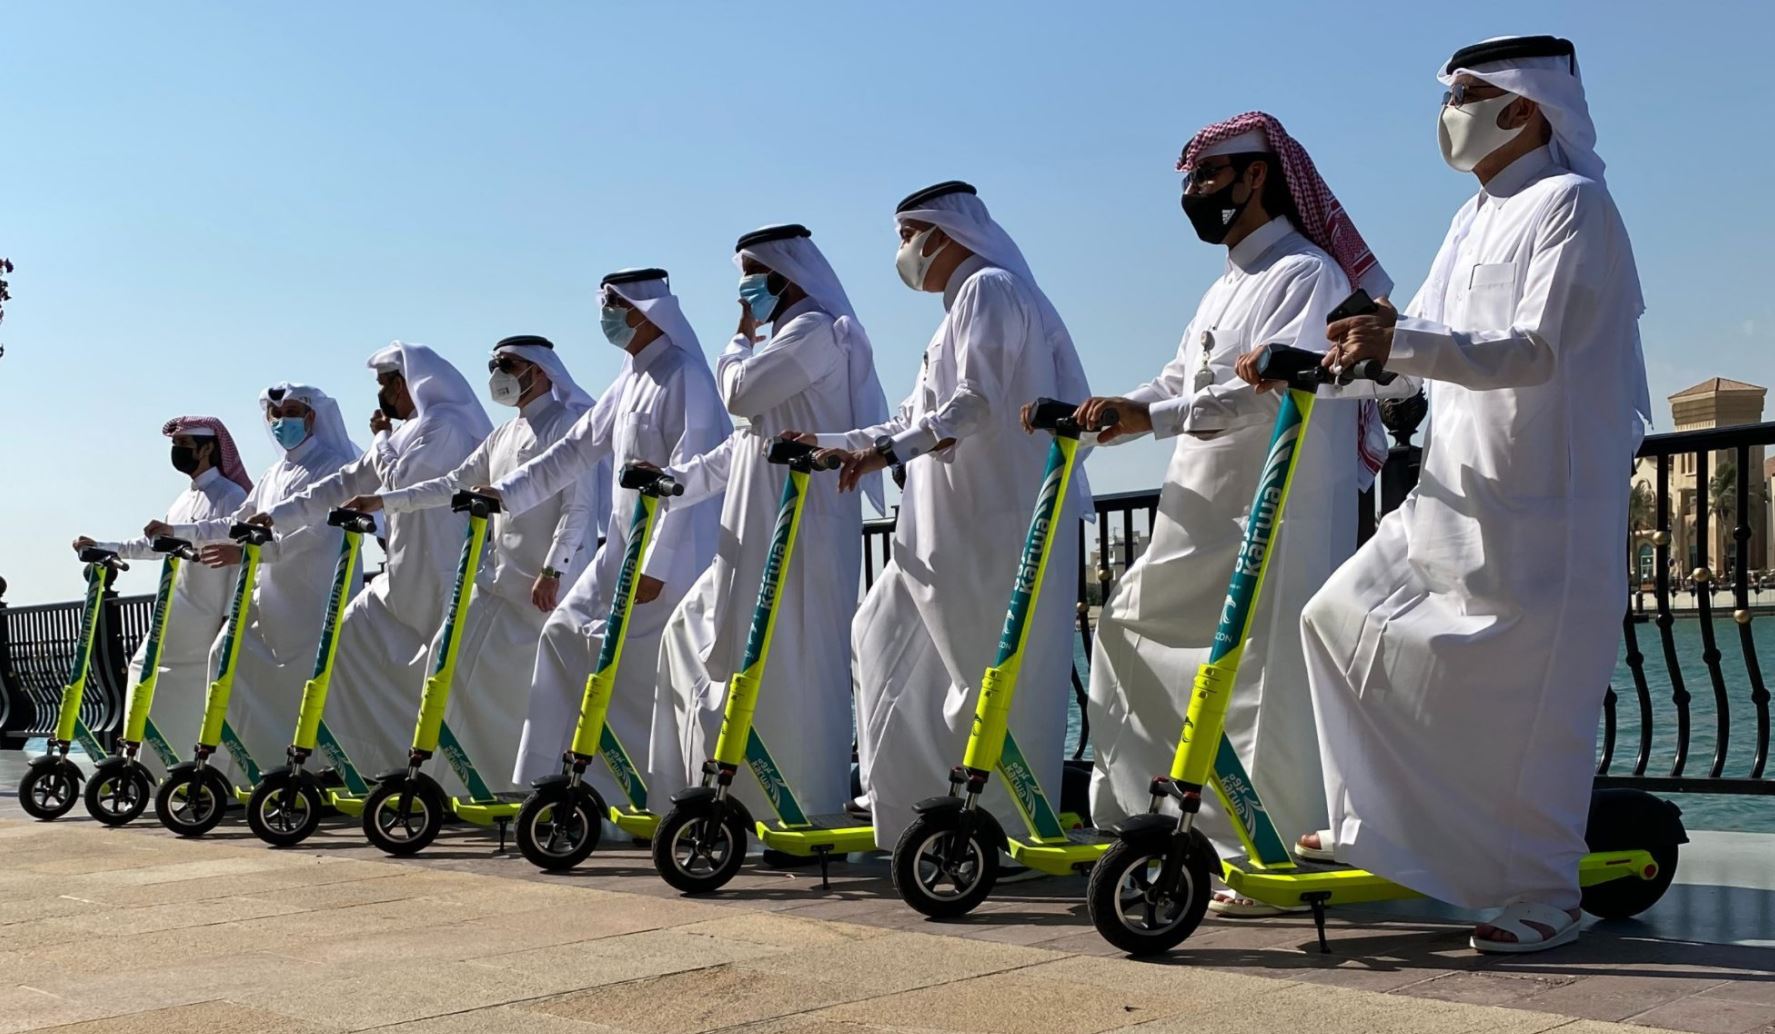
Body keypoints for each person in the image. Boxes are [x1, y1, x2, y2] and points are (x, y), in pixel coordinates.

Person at [1284, 35, 1650, 953]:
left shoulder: (1572, 205)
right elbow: (1419, 351)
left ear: (1523, 107)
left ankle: (1544, 893)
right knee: (1338, 620)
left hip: (1546, 505)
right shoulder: (1470, 217)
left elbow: (1535, 350)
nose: (1448, 112)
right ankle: (1380, 827)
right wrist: (1340, 365)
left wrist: (1397, 342)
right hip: (1452, 496)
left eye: (1464, 95)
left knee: (1537, 712)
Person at [1072, 113, 1392, 915]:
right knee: (1127, 625)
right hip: (1200, 506)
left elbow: (1270, 390)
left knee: (1263, 678)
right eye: (1190, 178)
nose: (1195, 191)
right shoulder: (1225, 283)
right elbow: (1181, 378)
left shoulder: (1306, 273)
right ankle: (1176, 825)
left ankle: (1266, 845)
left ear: (1257, 176)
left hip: (1278, 508)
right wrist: (1120, 410)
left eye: (1210, 175)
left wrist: (1154, 417)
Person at [808, 181, 1092, 852]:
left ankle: (999, 830)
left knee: (984, 679)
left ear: (945, 233)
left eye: (908, 236)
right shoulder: (955, 312)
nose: (903, 251)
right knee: (879, 638)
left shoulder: (991, 289)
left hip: (992, 523)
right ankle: (913, 812)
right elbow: (914, 418)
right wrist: (838, 444)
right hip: (938, 532)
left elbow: (975, 403)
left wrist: (885, 453)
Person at [654, 225, 889, 835]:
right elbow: (747, 443)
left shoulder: (813, 333)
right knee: (716, 643)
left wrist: (738, 338)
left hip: (804, 528)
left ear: (783, 277)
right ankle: (743, 798)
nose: (744, 291)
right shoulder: (787, 339)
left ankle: (803, 802)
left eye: (751, 278)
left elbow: (739, 394)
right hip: (756, 526)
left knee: (795, 661)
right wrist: (677, 483)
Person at [482, 269, 729, 810]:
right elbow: (574, 450)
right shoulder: (631, 377)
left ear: (646, 308)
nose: (606, 314)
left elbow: (693, 476)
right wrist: (506, 493)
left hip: (668, 560)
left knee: (636, 677)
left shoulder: (685, 375)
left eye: (615, 303)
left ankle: (653, 798)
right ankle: (558, 783)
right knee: (562, 634)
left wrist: (659, 566)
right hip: (619, 551)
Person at [341, 337, 600, 794]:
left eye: (508, 365)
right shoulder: (503, 436)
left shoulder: (567, 425)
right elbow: (451, 484)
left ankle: (543, 788)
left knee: (535, 690)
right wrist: (384, 500)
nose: (498, 374)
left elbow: (577, 508)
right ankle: (464, 782)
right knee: (447, 660)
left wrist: (553, 569)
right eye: (495, 364)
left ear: (540, 370)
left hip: (545, 588)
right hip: (500, 582)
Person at [255, 343, 491, 783]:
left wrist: (380, 437)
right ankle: (374, 765)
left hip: (446, 576)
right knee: (344, 644)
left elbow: (399, 480)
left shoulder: (446, 425)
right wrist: (278, 516)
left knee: (446, 682)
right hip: (400, 576)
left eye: (386, 383)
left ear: (408, 382)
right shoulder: (406, 433)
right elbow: (343, 482)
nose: (381, 393)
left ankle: (457, 779)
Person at [145, 385, 361, 781]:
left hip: (314, 600)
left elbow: (319, 534)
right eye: (275, 414)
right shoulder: (272, 475)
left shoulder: (333, 466)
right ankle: (245, 770)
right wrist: (178, 531)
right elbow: (237, 523)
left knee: (313, 688)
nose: (282, 421)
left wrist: (249, 554)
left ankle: (323, 771)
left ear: (311, 417)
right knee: (224, 658)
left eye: (291, 412)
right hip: (270, 599)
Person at [74, 417, 252, 769]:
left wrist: (229, 618)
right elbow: (155, 546)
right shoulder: (183, 500)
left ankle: (201, 773)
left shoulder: (232, 496)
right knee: (142, 672)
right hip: (174, 616)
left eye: (184, 445)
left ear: (208, 448)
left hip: (208, 619)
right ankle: (148, 768)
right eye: (175, 445)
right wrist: (105, 546)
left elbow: (239, 559)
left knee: (198, 696)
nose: (177, 452)